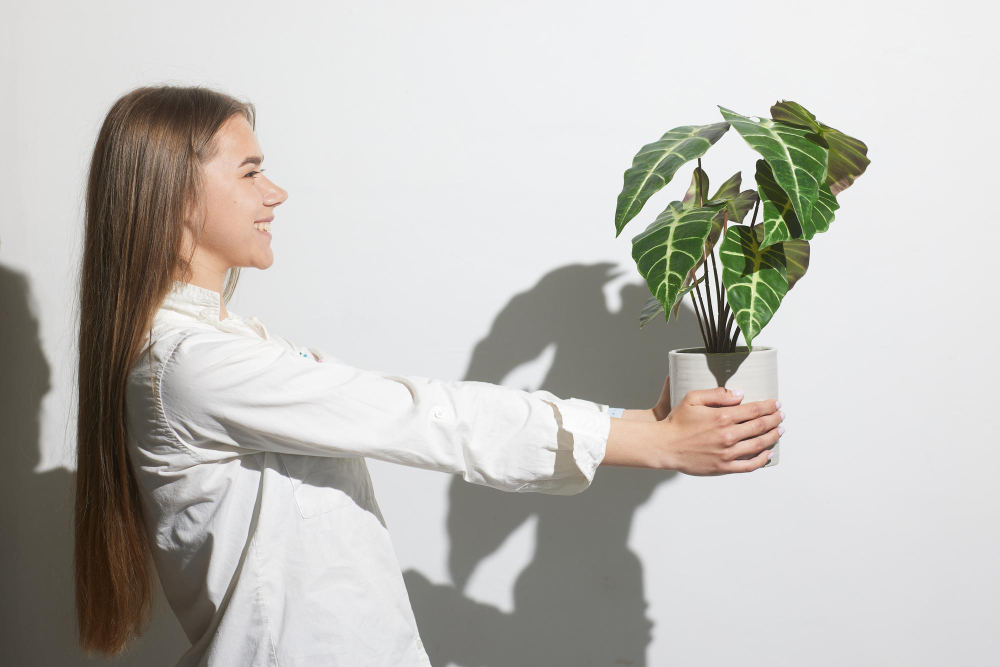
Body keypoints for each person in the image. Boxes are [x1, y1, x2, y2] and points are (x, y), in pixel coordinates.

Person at [72, 84, 784, 666]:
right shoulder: (193, 364)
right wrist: (648, 443)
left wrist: (643, 425)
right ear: (174, 195)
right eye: (252, 171)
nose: (277, 192)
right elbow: (417, 415)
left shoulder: (228, 345)